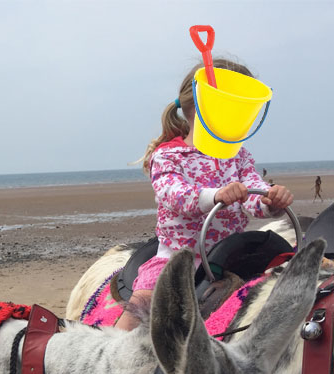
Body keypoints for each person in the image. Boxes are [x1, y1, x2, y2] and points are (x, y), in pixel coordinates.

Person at [115, 59, 293, 331]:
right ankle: (115, 357)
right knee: (143, 305)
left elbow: (253, 191)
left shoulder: (239, 157)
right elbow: (174, 195)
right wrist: (216, 195)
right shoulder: (168, 156)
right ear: (198, 108)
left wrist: (271, 201)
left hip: (231, 254)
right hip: (178, 257)